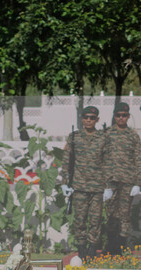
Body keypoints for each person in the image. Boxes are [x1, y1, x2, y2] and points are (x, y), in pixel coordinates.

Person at [60, 106, 110, 260]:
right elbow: (67, 161)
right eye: (86, 117)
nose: (88, 120)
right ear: (82, 119)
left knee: (95, 221)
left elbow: (108, 163)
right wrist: (64, 182)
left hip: (97, 187)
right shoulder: (74, 137)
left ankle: (92, 251)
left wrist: (108, 186)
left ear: (97, 120)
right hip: (79, 186)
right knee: (80, 220)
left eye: (92, 117)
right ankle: (81, 252)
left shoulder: (103, 138)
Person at [104, 102, 141, 255]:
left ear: (128, 116)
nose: (121, 118)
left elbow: (138, 159)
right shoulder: (107, 134)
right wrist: (104, 184)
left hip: (127, 181)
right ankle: (111, 247)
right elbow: (102, 158)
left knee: (125, 215)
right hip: (111, 181)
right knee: (111, 214)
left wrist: (138, 183)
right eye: (118, 115)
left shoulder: (133, 135)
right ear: (114, 116)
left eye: (124, 115)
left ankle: (121, 247)